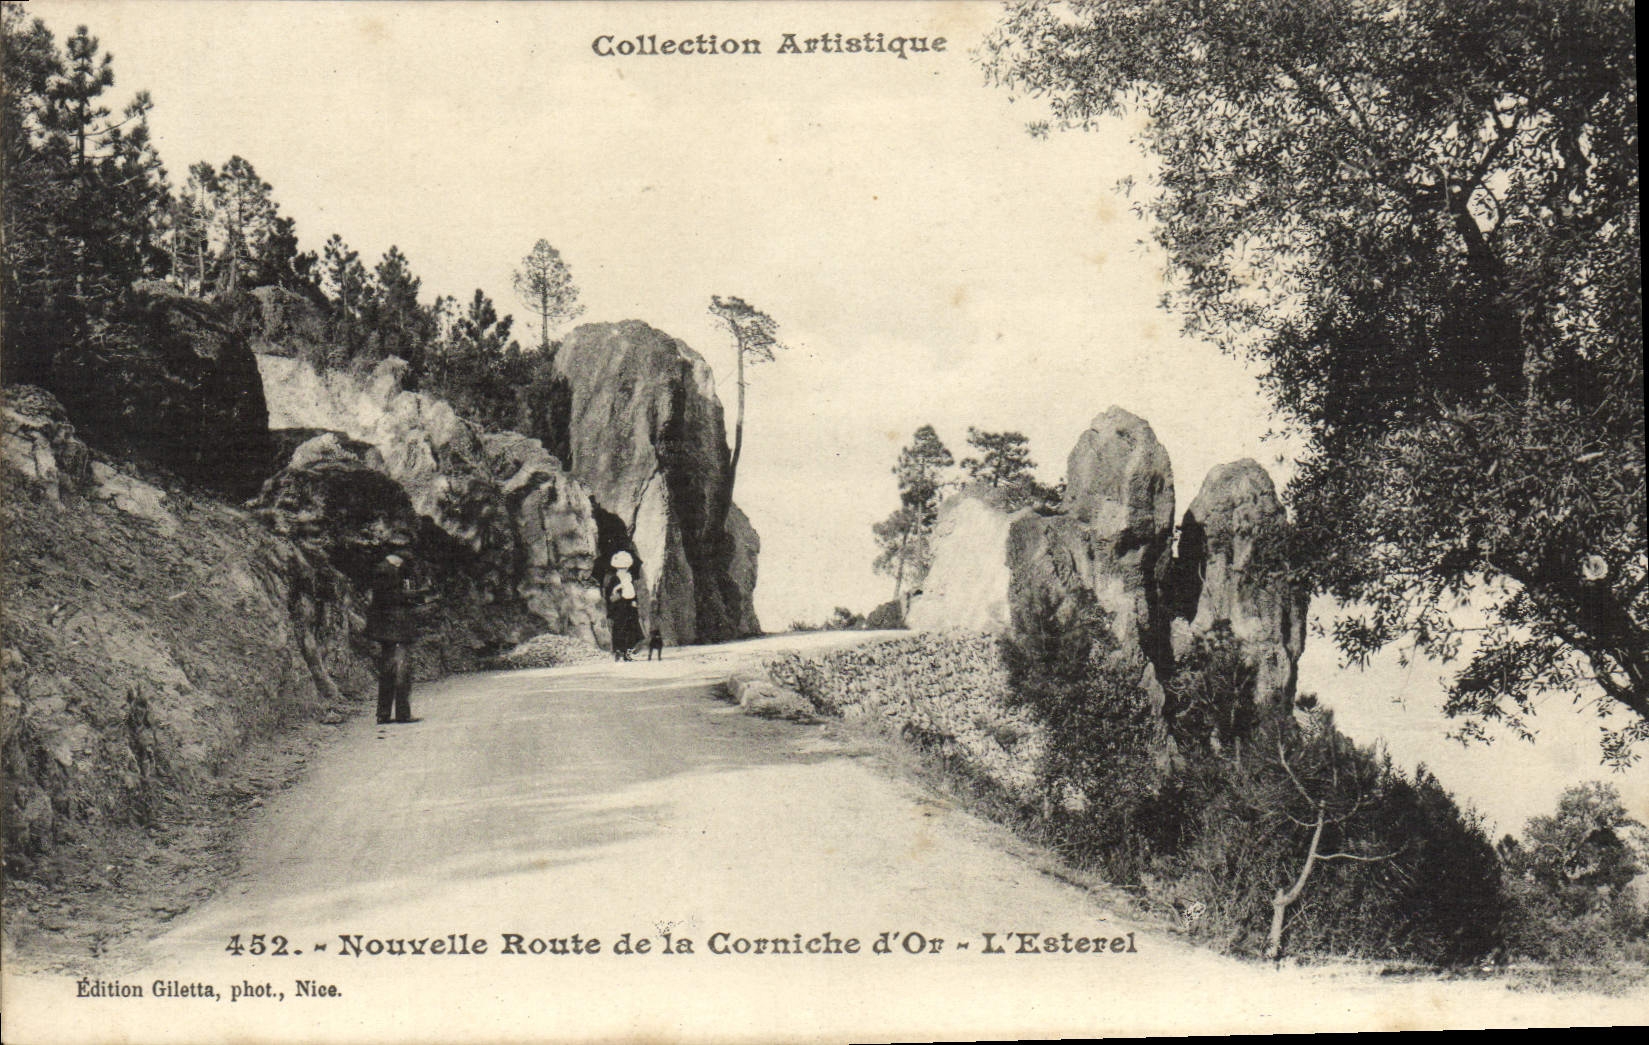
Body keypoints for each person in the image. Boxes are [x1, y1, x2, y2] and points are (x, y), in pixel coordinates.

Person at [364, 551, 421, 723]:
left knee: (388, 671)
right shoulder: (387, 572)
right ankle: (402, 714)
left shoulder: (382, 570)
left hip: (387, 631)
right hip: (395, 630)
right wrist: (415, 594)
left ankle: (383, 714)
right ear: (398, 560)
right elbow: (391, 598)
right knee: (401, 671)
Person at [603, 550, 642, 661]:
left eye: (624, 568)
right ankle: (619, 652)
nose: (623, 570)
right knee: (620, 630)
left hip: (629, 608)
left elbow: (633, 593)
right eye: (620, 568)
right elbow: (610, 596)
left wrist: (634, 601)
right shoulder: (614, 580)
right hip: (619, 609)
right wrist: (619, 594)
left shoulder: (629, 579)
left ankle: (627, 652)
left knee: (632, 630)